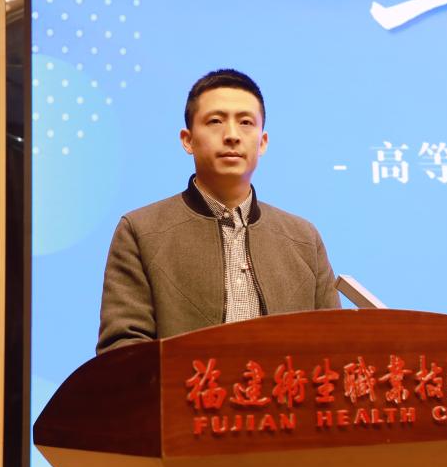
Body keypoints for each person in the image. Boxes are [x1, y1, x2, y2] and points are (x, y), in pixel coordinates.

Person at [97, 68, 340, 353]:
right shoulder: (140, 231)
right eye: (215, 121)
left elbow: (335, 348)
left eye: (246, 122)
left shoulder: (303, 238)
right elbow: (123, 351)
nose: (232, 135)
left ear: (262, 142)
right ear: (187, 140)